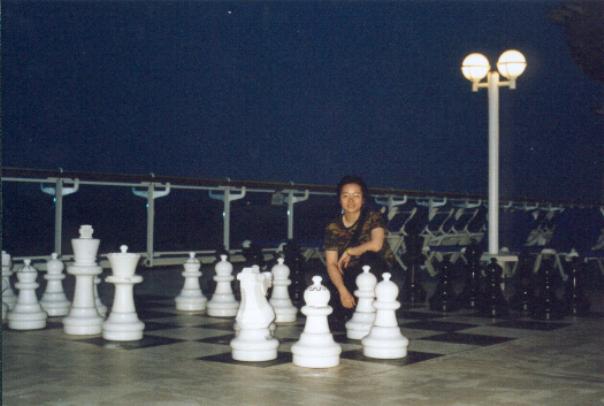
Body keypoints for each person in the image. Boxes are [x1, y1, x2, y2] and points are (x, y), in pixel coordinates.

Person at [323, 175, 395, 327]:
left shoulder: (373, 217)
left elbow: (376, 244)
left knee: (369, 257)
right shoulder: (332, 226)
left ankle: (373, 302)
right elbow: (331, 263)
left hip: (376, 268)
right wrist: (342, 291)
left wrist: (350, 251)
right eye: (345, 196)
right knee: (333, 311)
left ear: (363, 199)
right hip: (349, 272)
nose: (351, 201)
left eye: (356, 195)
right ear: (339, 199)